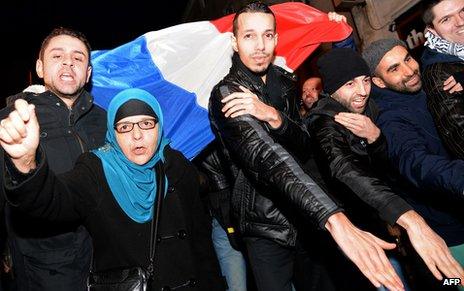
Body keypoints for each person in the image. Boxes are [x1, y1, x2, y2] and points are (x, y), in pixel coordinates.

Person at [209, 2, 407, 291]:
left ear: (276, 39)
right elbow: (270, 158)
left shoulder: (286, 82)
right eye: (249, 36)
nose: (260, 45)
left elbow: (304, 147)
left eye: (267, 35)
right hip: (266, 225)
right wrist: (333, 218)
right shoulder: (227, 93)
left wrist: (274, 116)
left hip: (307, 220)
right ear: (235, 42)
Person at [0, 88, 225, 290]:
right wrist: (26, 162)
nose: (137, 135)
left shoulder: (176, 164)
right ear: (112, 132)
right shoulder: (96, 169)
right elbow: (53, 200)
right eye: (125, 127)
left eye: (146, 123)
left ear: (159, 126)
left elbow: (201, 243)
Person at [308, 47, 464, 290]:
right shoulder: (325, 123)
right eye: (350, 84)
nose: (362, 91)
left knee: (436, 280)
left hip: (382, 220)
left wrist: (376, 138)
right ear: (332, 90)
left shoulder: (371, 108)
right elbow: (345, 169)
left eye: (365, 80)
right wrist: (409, 218)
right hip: (345, 231)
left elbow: (383, 168)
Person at [0, 27, 107, 290]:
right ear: (40, 67)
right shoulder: (12, 120)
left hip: (109, 263)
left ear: (88, 73)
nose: (69, 62)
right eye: (57, 56)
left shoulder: (106, 120)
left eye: (78, 58)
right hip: (44, 270)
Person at [362, 38, 464, 289]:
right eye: (394, 68)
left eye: (407, 59)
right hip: (448, 236)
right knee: (452, 284)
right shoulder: (389, 119)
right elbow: (414, 161)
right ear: (378, 81)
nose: (409, 71)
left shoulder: (430, 85)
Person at [420, 0, 464, 160]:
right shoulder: (438, 73)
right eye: (446, 19)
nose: (460, 21)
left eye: (462, 10)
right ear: (432, 30)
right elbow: (459, 140)